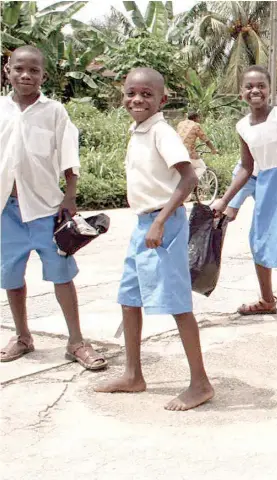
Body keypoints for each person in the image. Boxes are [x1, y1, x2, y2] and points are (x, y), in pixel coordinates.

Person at [95, 68, 214, 411]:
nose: (137, 99)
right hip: (142, 226)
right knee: (129, 298)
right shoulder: (138, 131)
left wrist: (160, 223)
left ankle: (200, 383)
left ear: (162, 100)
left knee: (177, 304)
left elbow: (189, 177)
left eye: (147, 94)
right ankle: (133, 374)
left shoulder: (162, 132)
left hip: (164, 226)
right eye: (131, 93)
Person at [0, 46, 107, 370]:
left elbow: (68, 157)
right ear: (8, 71)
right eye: (19, 69)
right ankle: (22, 336)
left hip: (47, 210)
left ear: (43, 75)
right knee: (11, 276)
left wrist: (70, 197)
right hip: (7, 211)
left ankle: (76, 341)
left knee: (61, 275)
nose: (26, 75)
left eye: (33, 70)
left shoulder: (55, 112)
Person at [212, 65, 277, 315]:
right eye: (249, 86)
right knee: (259, 241)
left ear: (270, 90)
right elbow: (246, 168)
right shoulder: (242, 126)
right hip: (268, 185)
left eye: (261, 85)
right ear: (241, 92)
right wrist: (224, 201)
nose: (255, 90)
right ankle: (267, 301)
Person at [177, 111, 218, 178]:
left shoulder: (180, 124)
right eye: (199, 118)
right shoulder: (195, 126)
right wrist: (213, 149)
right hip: (188, 152)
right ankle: (191, 181)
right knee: (201, 167)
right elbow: (206, 140)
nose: (199, 119)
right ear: (195, 118)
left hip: (177, 151)